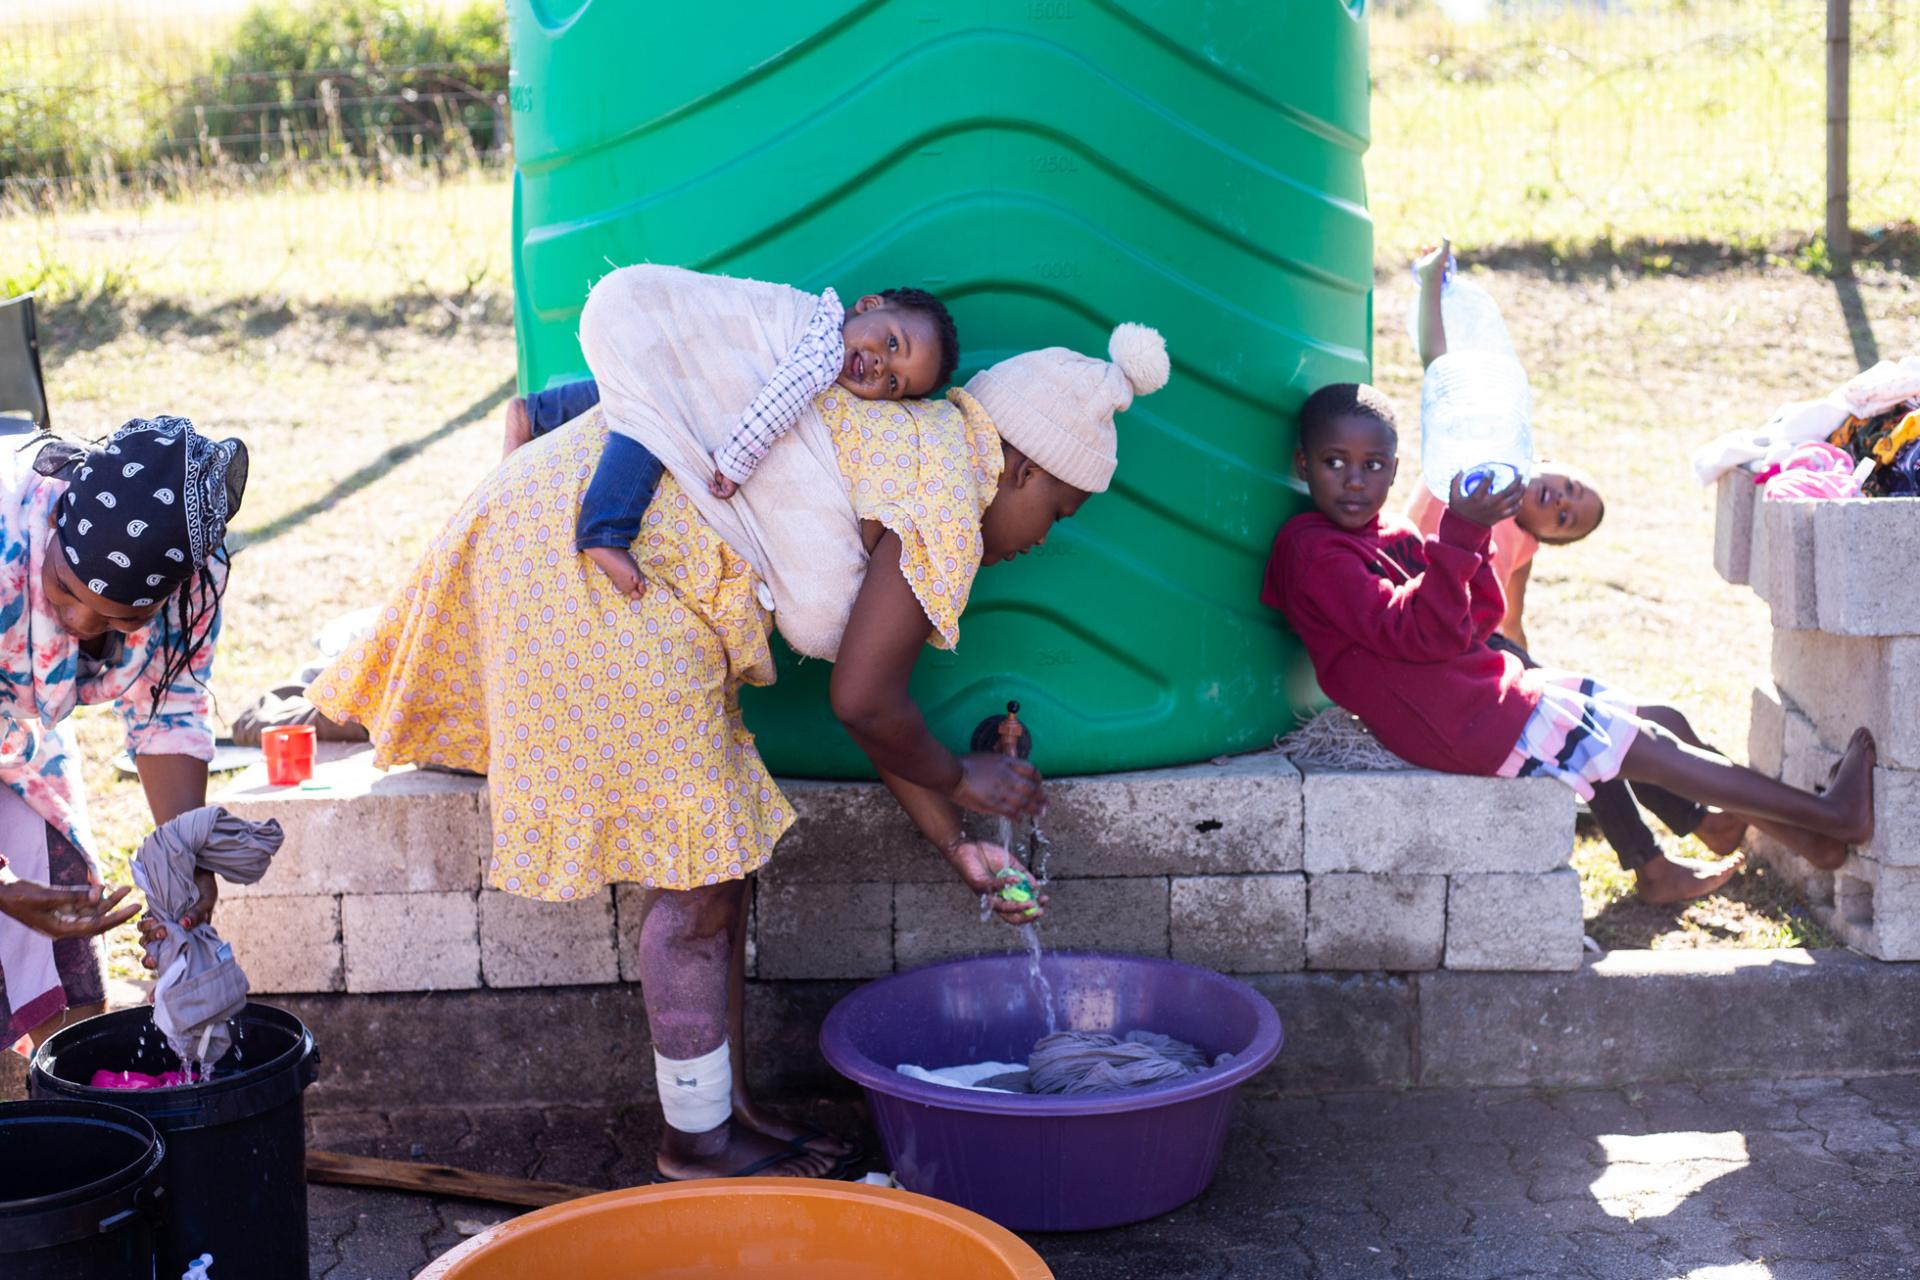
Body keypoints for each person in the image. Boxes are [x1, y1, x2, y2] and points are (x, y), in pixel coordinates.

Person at [311, 300, 1169, 1182]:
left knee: (719, 865)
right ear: (1023, 469)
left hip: (566, 533)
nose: (1042, 540)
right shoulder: (955, 487)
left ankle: (727, 1115)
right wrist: (963, 776)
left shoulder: (932, 446)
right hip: (593, 569)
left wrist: (956, 845)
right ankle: (696, 1142)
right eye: (1059, 513)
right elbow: (867, 704)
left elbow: (877, 701)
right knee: (699, 887)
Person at [1262, 384, 1874, 904]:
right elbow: (1415, 633)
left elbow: (1472, 623)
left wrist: (1469, 544)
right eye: (1334, 461)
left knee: (1655, 732)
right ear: (1301, 465)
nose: (1353, 480)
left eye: (1373, 465)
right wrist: (1461, 535)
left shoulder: (1391, 533)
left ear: (1394, 471)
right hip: (1459, 722)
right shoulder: (1312, 551)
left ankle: (1815, 838)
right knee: (1652, 747)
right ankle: (1828, 821)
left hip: (1481, 691)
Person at [1411, 242, 1746, 898]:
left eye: (1567, 517)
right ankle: (1684, 836)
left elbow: (1511, 622)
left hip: (1472, 655)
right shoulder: (1483, 472)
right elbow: (1438, 366)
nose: (1562, 502)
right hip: (1429, 639)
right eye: (1568, 487)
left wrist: (1532, 679)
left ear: (1548, 539)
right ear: (1549, 462)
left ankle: (1690, 830)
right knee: (1580, 723)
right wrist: (1428, 286)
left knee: (1586, 717)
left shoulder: (1521, 544)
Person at [0, 417, 247, 1051]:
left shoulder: (191, 584)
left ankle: (65, 1102)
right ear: (53, 527)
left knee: (59, 898)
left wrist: (183, 857)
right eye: (61, 586)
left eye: (120, 615)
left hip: (15, 740)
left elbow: (169, 708)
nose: (81, 622)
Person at [501, 273, 960, 603]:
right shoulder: (820, 348)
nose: (883, 367)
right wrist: (734, 463)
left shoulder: (815, 318)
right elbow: (778, 401)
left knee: (641, 391)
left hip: (663, 336)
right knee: (655, 430)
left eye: (896, 384)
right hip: (652, 328)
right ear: (868, 305)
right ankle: (602, 530)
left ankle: (536, 412)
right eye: (895, 344)